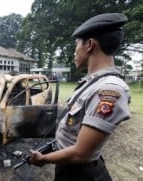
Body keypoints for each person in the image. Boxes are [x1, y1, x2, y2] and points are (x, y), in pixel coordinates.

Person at [29, 13, 131, 181]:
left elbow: (82, 153)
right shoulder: (91, 83)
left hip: (81, 173)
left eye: (76, 45)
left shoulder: (109, 89)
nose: (74, 52)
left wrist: (44, 159)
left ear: (89, 45)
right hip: (68, 166)